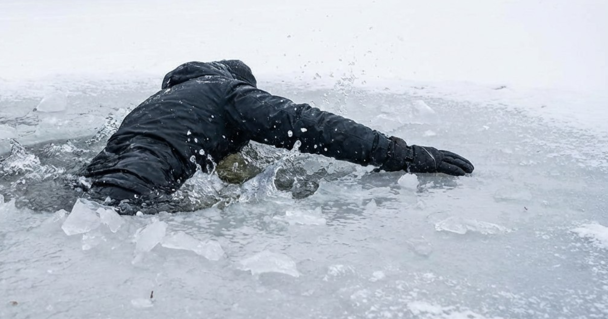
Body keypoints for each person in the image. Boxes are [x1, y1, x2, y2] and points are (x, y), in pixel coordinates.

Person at [82, 60, 473, 213]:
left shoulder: (161, 99)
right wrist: (402, 154)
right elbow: (311, 125)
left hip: (94, 177)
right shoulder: (229, 93)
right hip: (138, 188)